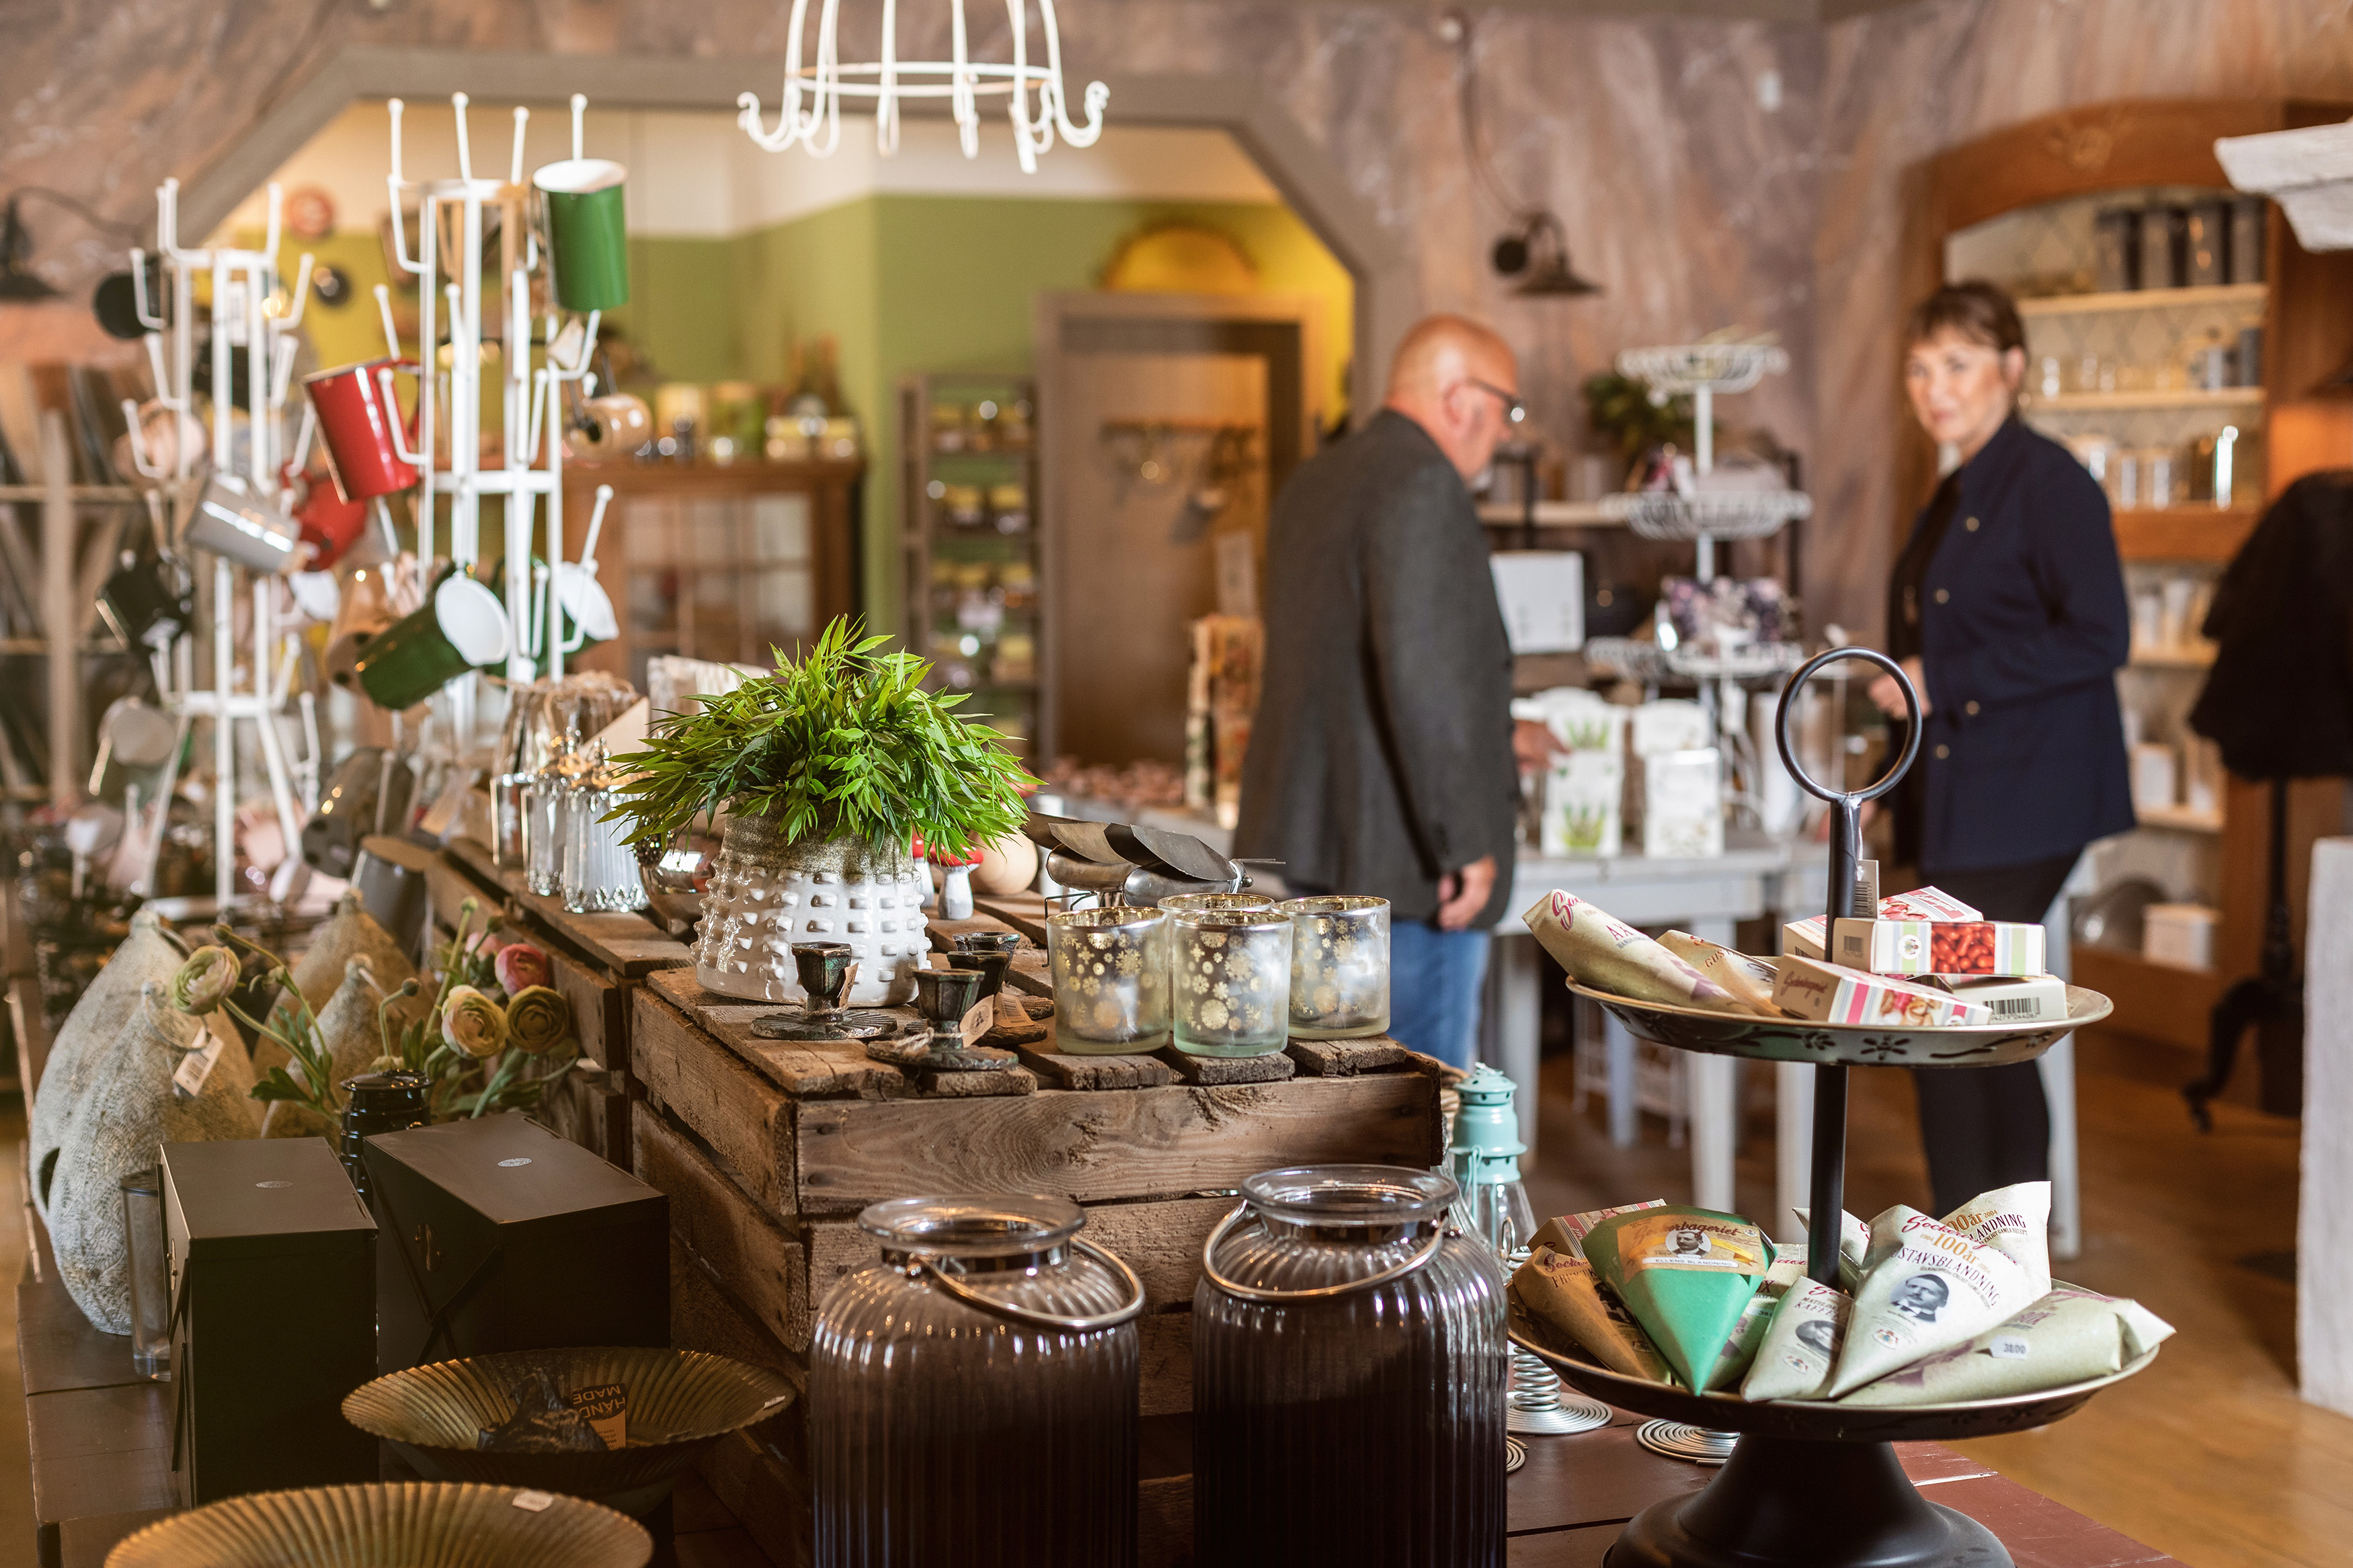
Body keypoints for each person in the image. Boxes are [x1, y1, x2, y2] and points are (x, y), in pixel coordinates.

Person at [1868, 280, 2132, 1216]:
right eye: (1920, 369)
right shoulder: (1956, 489)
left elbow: (2102, 635)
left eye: (1958, 365)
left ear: (2011, 369)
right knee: (1954, 1021)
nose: (1936, 389)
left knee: (1960, 1017)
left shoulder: (2049, 481)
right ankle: (1970, 1237)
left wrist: (1944, 676)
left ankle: (1998, 1247)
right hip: (1965, 800)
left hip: (2029, 803)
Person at [1236, 315, 1558, 1069]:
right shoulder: (1424, 483)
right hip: (1406, 870)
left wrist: (1497, 733)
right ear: (1459, 399)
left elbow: (1348, 667)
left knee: (1324, 1099)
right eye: (1505, 409)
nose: (1504, 433)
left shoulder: (1314, 480)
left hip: (1307, 848)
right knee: (1414, 1112)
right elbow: (1424, 676)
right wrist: (1464, 838)